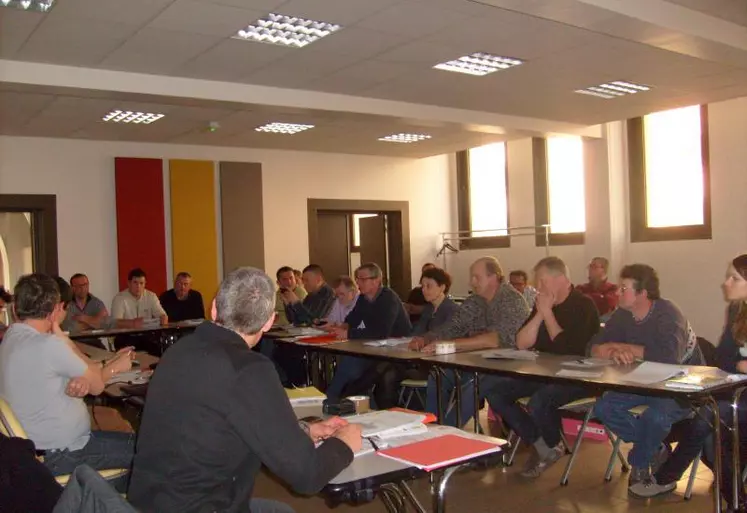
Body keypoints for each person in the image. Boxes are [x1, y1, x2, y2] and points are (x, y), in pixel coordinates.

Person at [128, 267, 361, 513]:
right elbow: (307, 475)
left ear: (214, 307)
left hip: (149, 503)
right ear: (270, 321)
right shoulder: (249, 370)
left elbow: (222, 423)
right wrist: (344, 443)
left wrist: (300, 430)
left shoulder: (178, 351)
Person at [0, 274, 136, 488]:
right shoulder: (48, 345)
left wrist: (84, 371)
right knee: (149, 454)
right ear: (55, 309)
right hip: (63, 456)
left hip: (39, 454)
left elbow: (76, 374)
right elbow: (97, 385)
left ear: (16, 309)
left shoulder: (11, 338)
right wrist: (116, 366)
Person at [633, 255, 747, 505]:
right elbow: (724, 359)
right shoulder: (736, 309)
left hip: (737, 398)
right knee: (709, 432)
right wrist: (740, 365)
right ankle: (735, 500)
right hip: (734, 392)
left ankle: (667, 477)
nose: (726, 283)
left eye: (734, 278)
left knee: (710, 418)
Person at [481, 257, 600, 477]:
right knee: (492, 389)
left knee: (540, 401)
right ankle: (543, 445)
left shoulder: (583, 305)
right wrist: (539, 314)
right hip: (543, 372)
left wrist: (547, 313)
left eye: (542, 282)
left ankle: (552, 444)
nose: (538, 288)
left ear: (561, 279)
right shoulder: (542, 304)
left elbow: (568, 348)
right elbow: (521, 342)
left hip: (577, 377)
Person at [591, 264, 703, 494]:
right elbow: (592, 347)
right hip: (642, 381)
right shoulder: (622, 314)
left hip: (681, 384)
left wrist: (624, 347)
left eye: (624, 288)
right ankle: (653, 449)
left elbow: (668, 357)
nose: (617, 293)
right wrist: (611, 351)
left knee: (656, 417)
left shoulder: (669, 313)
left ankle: (640, 463)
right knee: (604, 407)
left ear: (642, 293)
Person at [410, 256, 530, 426]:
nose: (471, 281)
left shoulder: (512, 300)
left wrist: (451, 345)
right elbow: (453, 326)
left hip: (509, 367)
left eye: (476, 277)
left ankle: (447, 434)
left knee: (475, 385)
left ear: (494, 277)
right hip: (479, 363)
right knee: (438, 375)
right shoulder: (475, 300)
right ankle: (432, 426)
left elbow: (495, 340)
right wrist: (426, 338)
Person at [372, 267, 460, 410]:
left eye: (428, 286)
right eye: (422, 286)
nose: (424, 290)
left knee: (388, 374)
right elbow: (415, 333)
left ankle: (389, 412)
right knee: (381, 368)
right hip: (419, 360)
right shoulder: (429, 309)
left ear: (442, 287)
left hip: (438, 366)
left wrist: (421, 340)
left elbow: (444, 333)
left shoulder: (452, 310)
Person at [326, 263, 412, 401]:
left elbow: (380, 331)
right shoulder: (363, 298)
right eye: (357, 279)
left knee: (352, 365)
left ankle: (332, 398)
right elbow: (352, 318)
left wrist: (349, 334)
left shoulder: (388, 298)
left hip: (396, 351)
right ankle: (339, 399)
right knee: (350, 363)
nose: (358, 282)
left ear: (376, 280)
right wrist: (342, 327)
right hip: (374, 348)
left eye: (362, 279)